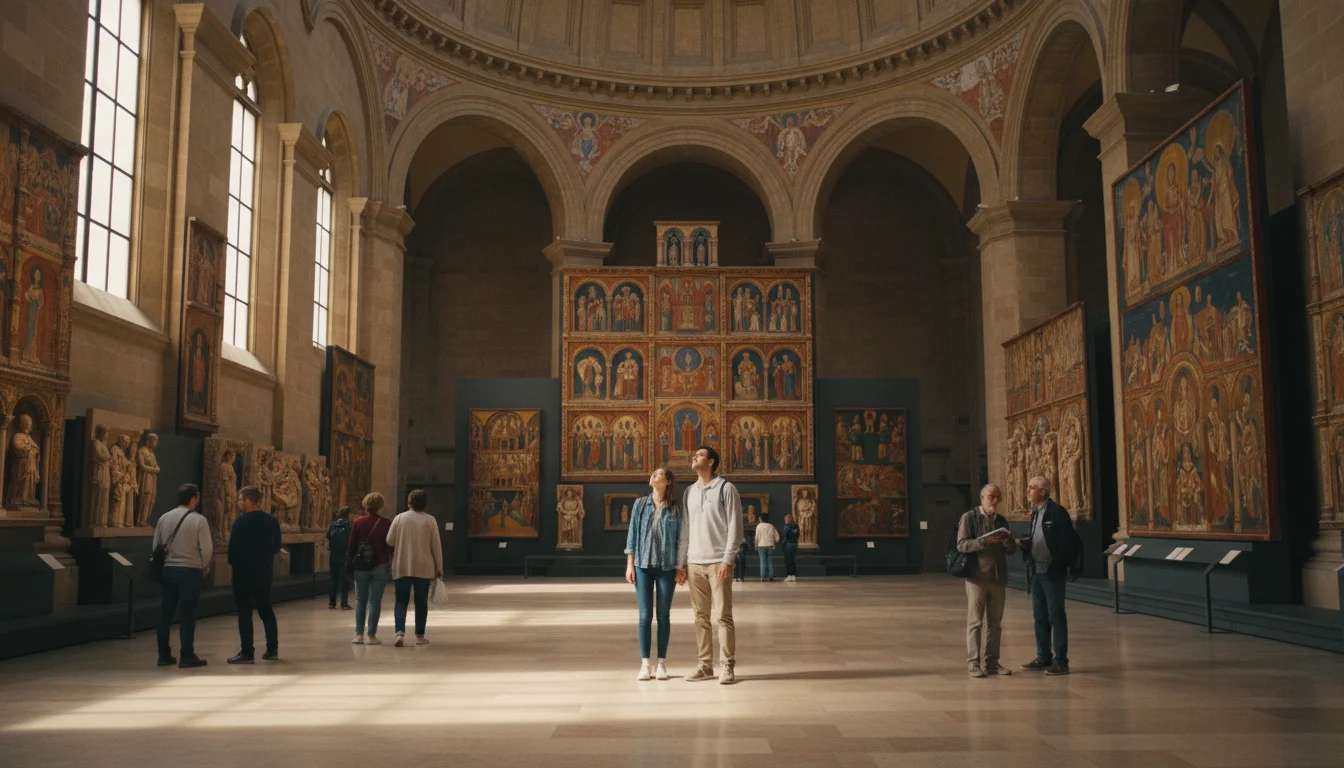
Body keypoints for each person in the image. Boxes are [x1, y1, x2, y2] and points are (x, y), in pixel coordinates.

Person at [681, 446, 742, 685]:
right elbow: (685, 529)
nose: (694, 456)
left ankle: (727, 666)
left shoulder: (726, 488)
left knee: (723, 616)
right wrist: (682, 562)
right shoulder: (689, 492)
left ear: (712, 461)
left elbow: (735, 527)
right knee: (700, 617)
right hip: (694, 562)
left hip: (718, 562)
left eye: (699, 455)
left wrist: (728, 559)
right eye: (694, 454)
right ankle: (705, 666)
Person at [624, 467, 688, 681]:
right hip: (642, 565)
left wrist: (681, 566)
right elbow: (632, 535)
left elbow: (681, 539)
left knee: (663, 616)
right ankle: (645, 664)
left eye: (659, 473)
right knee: (644, 616)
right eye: (653, 473)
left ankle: (661, 664)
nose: (653, 475)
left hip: (666, 567)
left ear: (668, 481)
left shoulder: (676, 509)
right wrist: (630, 565)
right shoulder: (640, 505)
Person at [1016, 475, 1082, 676]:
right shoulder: (1035, 512)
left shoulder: (1057, 512)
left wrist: (1061, 565)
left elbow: (1069, 543)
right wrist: (1027, 545)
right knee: (1040, 617)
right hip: (1036, 571)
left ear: (1043, 491)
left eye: (1031, 487)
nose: (1027, 491)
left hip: (1052, 573)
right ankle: (1043, 657)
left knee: (1056, 616)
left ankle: (1061, 660)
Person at [957, 484, 1017, 678]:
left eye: (998, 497)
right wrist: (985, 541)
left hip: (998, 577)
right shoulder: (969, 518)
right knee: (975, 622)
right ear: (982, 497)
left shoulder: (1001, 520)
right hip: (977, 577)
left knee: (995, 623)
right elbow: (962, 545)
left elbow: (1009, 551)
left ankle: (992, 662)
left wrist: (1008, 543)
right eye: (992, 496)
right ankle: (973, 663)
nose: (995, 501)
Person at [154, 484, 212, 668]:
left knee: (165, 613)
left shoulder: (164, 518)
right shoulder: (198, 520)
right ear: (194, 498)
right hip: (191, 570)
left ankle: (163, 655)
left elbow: (156, 546)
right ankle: (186, 654)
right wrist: (204, 565)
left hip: (169, 569)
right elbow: (207, 548)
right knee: (187, 614)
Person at [227, 486, 283, 664]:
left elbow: (232, 551)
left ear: (249, 500)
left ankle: (247, 652)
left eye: (240, 500)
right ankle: (272, 648)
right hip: (264, 571)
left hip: (243, 573)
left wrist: (237, 563)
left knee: (244, 611)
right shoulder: (271, 520)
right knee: (266, 609)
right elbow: (276, 546)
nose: (239, 503)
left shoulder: (240, 522)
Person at [387, 489, 443, 647]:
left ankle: (399, 633)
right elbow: (436, 546)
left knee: (401, 601)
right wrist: (440, 567)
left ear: (409, 502)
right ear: (425, 503)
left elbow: (389, 541)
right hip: (424, 568)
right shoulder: (430, 520)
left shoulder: (399, 518)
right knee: (421, 601)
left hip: (402, 565)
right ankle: (419, 635)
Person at [348, 493, 393, 645]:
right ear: (381, 506)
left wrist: (348, 567)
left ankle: (359, 634)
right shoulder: (387, 523)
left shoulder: (358, 522)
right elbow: (390, 545)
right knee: (375, 600)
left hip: (361, 566)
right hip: (380, 564)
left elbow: (352, 546)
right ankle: (371, 635)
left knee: (361, 599)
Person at [325, 506, 353, 610]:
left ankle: (332, 602)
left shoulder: (333, 524)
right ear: (348, 514)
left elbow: (328, 536)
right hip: (346, 554)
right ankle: (344, 603)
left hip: (334, 554)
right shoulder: (350, 524)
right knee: (345, 579)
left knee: (333, 579)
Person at [754, 513, 779, 582]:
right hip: (770, 545)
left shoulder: (759, 526)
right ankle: (771, 577)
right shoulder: (771, 526)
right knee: (770, 562)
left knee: (762, 562)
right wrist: (774, 542)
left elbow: (757, 537)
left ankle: (762, 577)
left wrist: (756, 545)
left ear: (761, 519)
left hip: (761, 545)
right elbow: (777, 537)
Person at [782, 513, 801, 582]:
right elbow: (798, 535)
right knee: (793, 561)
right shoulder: (796, 527)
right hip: (794, 545)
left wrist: (783, 544)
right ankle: (793, 575)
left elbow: (784, 536)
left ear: (787, 520)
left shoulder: (786, 527)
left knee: (788, 561)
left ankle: (789, 575)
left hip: (788, 545)